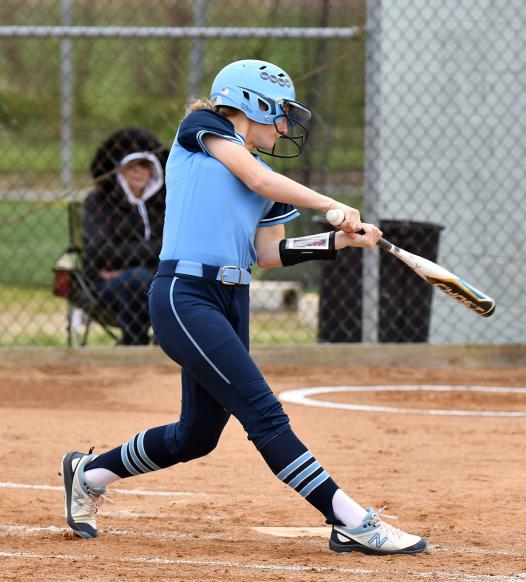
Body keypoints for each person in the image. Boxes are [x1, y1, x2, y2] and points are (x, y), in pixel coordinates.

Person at [61, 59, 427, 555]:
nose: (285, 127)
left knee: (196, 436)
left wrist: (337, 241)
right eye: (281, 113)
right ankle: (350, 520)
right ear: (252, 104)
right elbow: (255, 179)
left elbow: (269, 253)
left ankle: (88, 475)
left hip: (232, 300)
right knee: (265, 415)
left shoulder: (270, 179)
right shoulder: (202, 130)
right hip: (185, 295)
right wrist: (329, 204)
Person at [83, 128, 168, 345]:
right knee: (137, 279)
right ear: (120, 169)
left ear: (153, 169)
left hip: (157, 279)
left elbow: (178, 247)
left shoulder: (164, 204)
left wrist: (129, 259)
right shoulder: (99, 202)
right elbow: (100, 252)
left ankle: (168, 344)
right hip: (108, 286)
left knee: (171, 279)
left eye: (144, 165)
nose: (138, 171)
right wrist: (156, 250)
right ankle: (134, 344)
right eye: (132, 165)